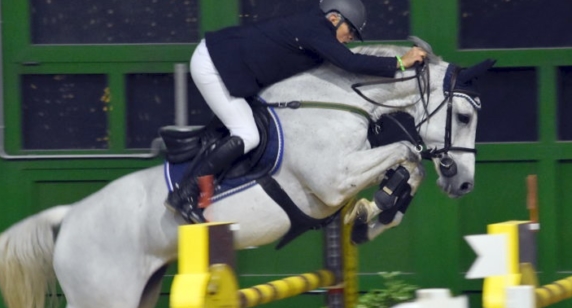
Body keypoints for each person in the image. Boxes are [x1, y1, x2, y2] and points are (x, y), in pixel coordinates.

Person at [166, 0, 428, 223]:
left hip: (229, 66)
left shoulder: (316, 30)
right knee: (248, 134)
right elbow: (351, 63)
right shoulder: (316, 29)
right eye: (350, 30)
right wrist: (400, 63)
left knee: (246, 128)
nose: (350, 38)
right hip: (214, 65)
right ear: (334, 18)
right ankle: (183, 195)